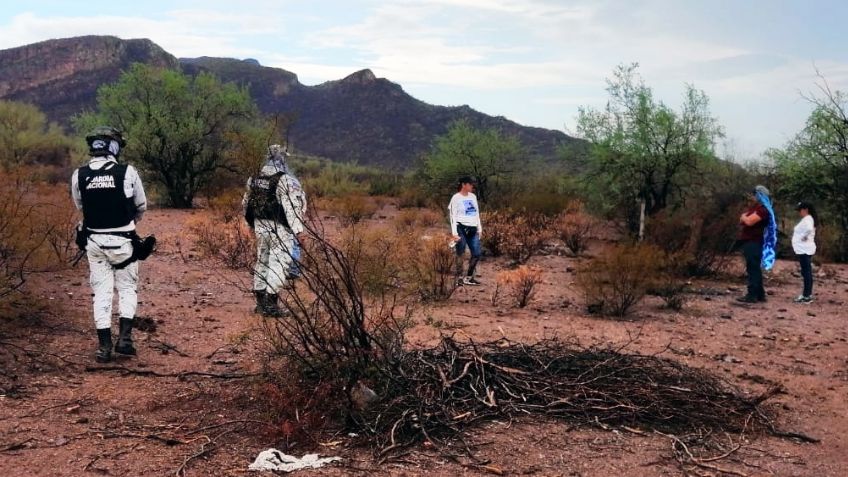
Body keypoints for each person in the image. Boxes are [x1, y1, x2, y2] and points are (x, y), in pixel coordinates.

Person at [71, 126, 148, 363]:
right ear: (114, 147)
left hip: (94, 241)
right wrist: (127, 222)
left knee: (101, 292)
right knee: (127, 288)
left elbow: (80, 206)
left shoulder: (79, 174)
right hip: (124, 241)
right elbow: (141, 205)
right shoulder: (127, 172)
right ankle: (124, 340)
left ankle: (104, 347)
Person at [243, 145, 306, 316]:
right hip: (279, 228)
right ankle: (271, 305)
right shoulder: (284, 180)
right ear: (282, 159)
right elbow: (291, 208)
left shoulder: (254, 179)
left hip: (260, 226)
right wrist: (299, 231)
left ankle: (260, 303)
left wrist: (249, 225)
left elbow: (246, 203)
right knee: (278, 263)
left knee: (262, 261)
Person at [736, 185, 777, 303]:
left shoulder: (762, 210)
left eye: (755, 194)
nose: (753, 197)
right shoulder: (757, 208)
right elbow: (743, 220)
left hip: (754, 242)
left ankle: (752, 294)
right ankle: (760, 294)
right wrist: (744, 218)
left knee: (753, 268)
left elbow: (749, 221)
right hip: (751, 241)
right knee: (754, 268)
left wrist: (744, 217)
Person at [448, 176, 482, 286]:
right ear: (463, 185)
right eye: (470, 184)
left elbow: (476, 213)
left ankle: (469, 277)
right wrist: (454, 233)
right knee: (461, 252)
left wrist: (479, 228)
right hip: (461, 227)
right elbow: (453, 216)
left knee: (477, 253)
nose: (472, 186)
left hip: (472, 228)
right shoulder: (456, 198)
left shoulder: (473, 197)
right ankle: (459, 278)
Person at [791, 201, 816, 303]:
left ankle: (807, 295)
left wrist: (803, 237)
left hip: (804, 249)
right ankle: (807, 294)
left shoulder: (808, 219)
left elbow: (809, 229)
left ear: (806, 209)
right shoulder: (808, 219)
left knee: (806, 272)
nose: (799, 212)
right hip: (803, 249)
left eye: (800, 210)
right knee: (806, 271)